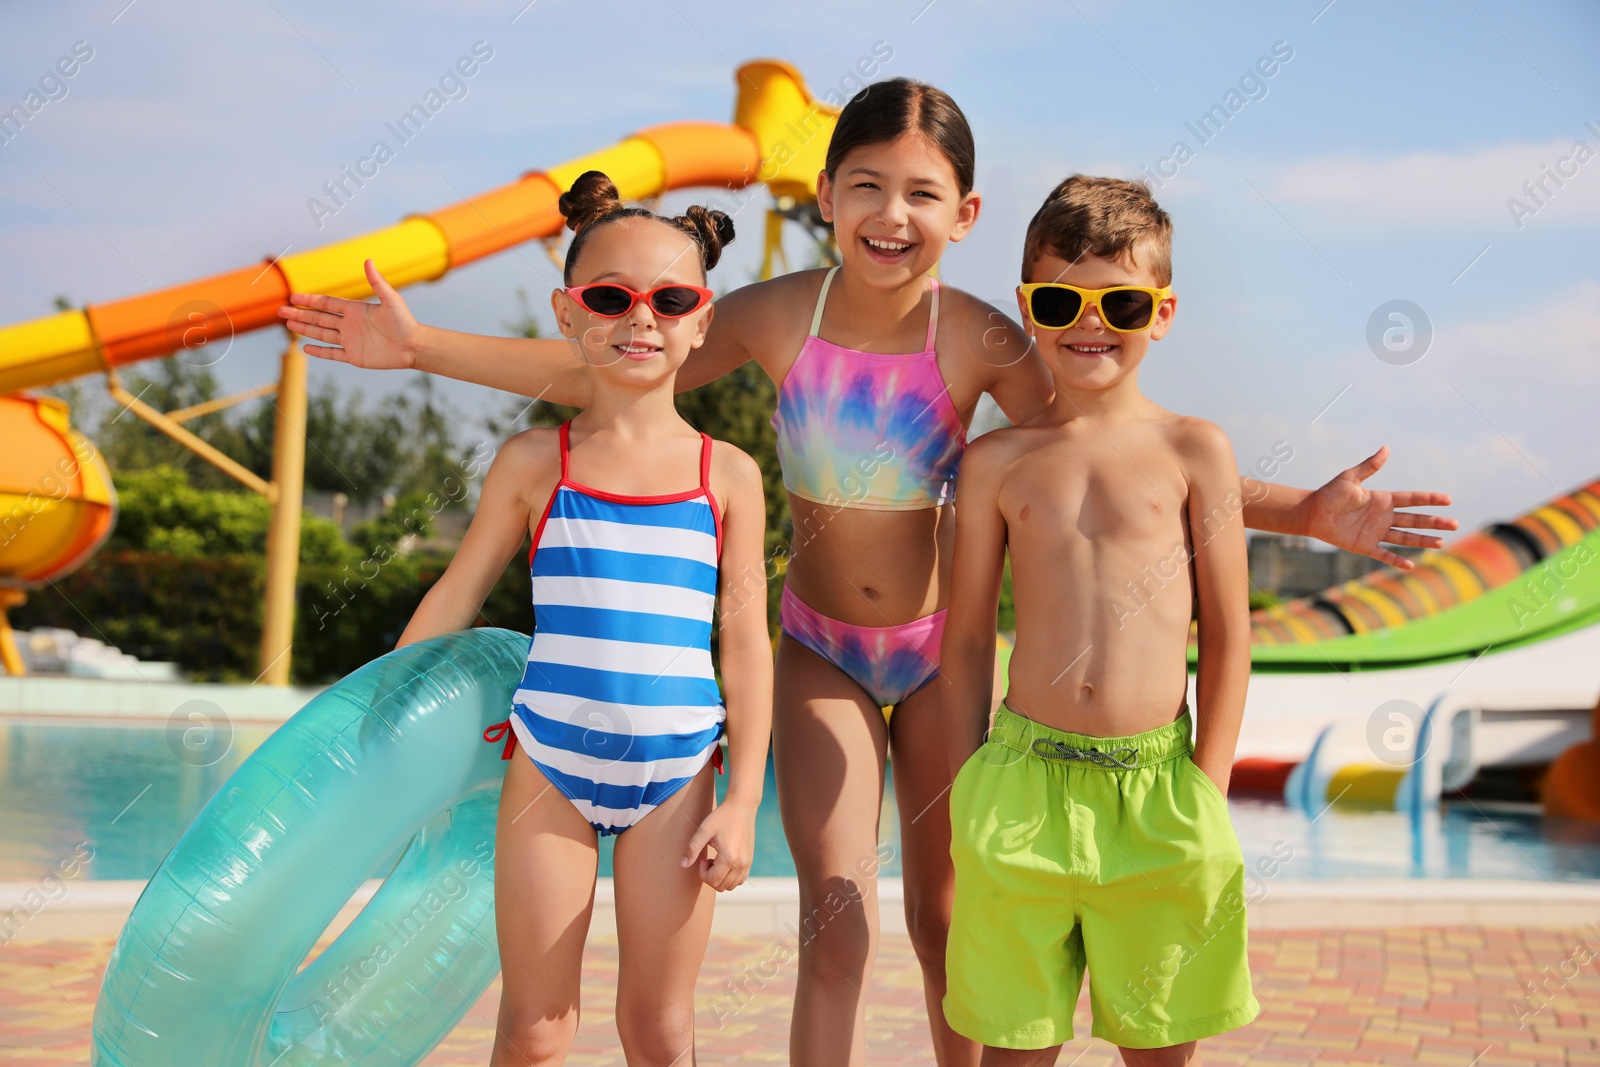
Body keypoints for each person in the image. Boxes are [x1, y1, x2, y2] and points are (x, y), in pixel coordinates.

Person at [281, 80, 1455, 1066]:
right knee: (832, 922)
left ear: (964, 212)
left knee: (949, 921)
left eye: (922, 194)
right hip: (819, 649)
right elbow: (611, 353)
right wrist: (420, 342)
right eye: (866, 187)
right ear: (827, 198)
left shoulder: (987, 334)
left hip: (941, 654)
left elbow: (1113, 452)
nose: (892, 214)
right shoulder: (780, 315)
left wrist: (1308, 511)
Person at [392, 170, 772, 1066]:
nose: (642, 318)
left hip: (679, 769)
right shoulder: (535, 460)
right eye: (612, 297)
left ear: (701, 319)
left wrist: (748, 797)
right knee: (535, 1029)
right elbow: (456, 591)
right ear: (568, 314)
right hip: (550, 761)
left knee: (658, 1027)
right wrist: (382, 712)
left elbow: (745, 641)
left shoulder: (729, 474)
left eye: (670, 299)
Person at [941, 175, 1272, 1064]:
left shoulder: (1196, 450)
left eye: (1120, 301)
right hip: (1020, 780)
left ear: (1160, 312)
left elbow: (1230, 636)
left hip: (1161, 788)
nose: (1091, 324)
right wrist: (970, 781)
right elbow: (967, 636)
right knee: (1014, 1045)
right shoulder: (995, 463)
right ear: (1029, 308)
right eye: (1061, 301)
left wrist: (1206, 785)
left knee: (1160, 1048)